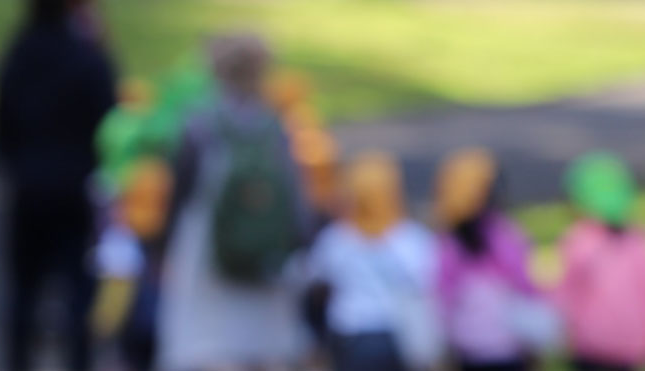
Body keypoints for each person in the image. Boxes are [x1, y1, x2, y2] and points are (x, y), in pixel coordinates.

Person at [157, 34, 309, 371]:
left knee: (209, 344)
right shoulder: (273, 125)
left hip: (206, 248)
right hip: (264, 256)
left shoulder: (199, 123)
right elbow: (294, 191)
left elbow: (179, 190)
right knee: (262, 344)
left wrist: (162, 246)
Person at [0, 0, 117, 371]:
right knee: (78, 290)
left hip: (28, 186)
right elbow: (110, 121)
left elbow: (0, 125)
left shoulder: (18, 53)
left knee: (24, 290)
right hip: (77, 186)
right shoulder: (86, 57)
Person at [307, 151, 439, 371]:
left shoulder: (336, 239)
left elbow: (317, 279)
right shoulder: (412, 238)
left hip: (352, 335)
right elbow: (427, 284)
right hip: (400, 335)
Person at [555, 153, 645, 371]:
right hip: (632, 347)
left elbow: (565, 295)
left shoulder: (578, 242)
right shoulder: (644, 241)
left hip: (590, 347)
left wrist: (561, 334)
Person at [434, 149, 552, 371]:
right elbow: (527, 289)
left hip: (468, 348)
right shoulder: (507, 236)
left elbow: (443, 301)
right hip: (509, 347)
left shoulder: (448, 244)